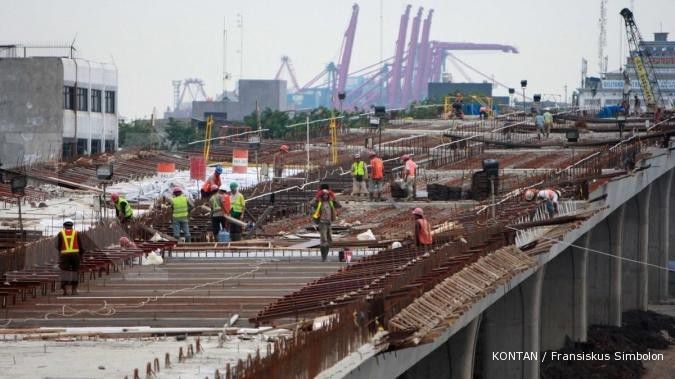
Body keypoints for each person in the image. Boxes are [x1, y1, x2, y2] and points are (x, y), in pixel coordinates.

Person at [55, 218, 85, 296]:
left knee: (64, 272)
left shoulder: (60, 233)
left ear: (64, 226)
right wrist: (81, 255)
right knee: (75, 272)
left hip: (64, 255)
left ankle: (64, 291)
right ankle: (74, 290)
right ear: (72, 226)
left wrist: (61, 251)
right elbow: (81, 246)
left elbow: (57, 245)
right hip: (75, 255)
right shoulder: (76, 233)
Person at [310, 189, 341, 261]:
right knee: (324, 240)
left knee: (329, 240)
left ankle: (325, 256)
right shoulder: (319, 202)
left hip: (329, 223)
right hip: (322, 223)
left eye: (327, 195)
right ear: (322, 196)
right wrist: (317, 197)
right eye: (324, 195)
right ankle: (324, 258)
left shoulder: (331, 202)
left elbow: (339, 205)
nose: (325, 196)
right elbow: (312, 203)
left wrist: (333, 196)